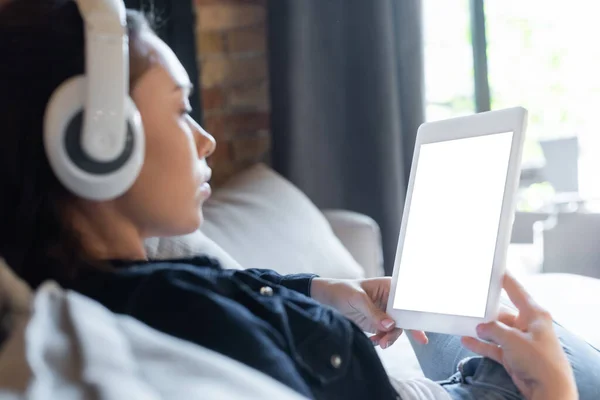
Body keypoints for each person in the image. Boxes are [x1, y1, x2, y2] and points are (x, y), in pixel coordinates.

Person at [0, 1, 598, 399]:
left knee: (488, 315)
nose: (207, 139)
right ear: (97, 146)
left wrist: (327, 292)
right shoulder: (173, 328)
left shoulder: (126, 278)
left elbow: (230, 287)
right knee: (557, 346)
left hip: (406, 373)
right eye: (183, 111)